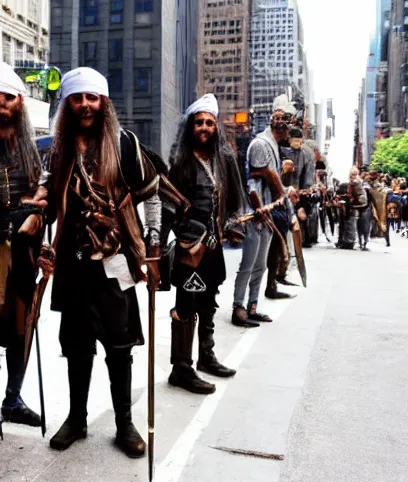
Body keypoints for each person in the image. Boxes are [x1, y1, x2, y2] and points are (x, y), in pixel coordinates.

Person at [41, 67, 161, 457]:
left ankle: (124, 425)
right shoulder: (59, 151)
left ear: (104, 103)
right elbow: (48, 206)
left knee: (119, 347)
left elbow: (153, 193)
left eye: (92, 98)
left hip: (116, 264)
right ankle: (77, 419)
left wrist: (154, 244)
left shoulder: (126, 144)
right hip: (74, 265)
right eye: (77, 98)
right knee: (77, 347)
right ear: (68, 104)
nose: (85, 105)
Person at [166, 94, 246, 394]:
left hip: (214, 246)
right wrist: (183, 238)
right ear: (191, 127)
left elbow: (233, 199)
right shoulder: (181, 161)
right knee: (186, 305)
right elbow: (168, 206)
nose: (204, 127)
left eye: (209, 123)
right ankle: (181, 369)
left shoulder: (222, 159)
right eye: (199, 122)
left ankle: (206, 356)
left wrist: (231, 225)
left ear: (216, 128)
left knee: (209, 301)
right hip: (190, 247)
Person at [0, 63, 48, 437]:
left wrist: (37, 223)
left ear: (19, 103)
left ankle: (13, 399)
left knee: (21, 329)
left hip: (22, 256)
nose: (1, 103)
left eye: (8, 97)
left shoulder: (31, 150)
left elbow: (41, 201)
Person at [232, 107, 288, 327]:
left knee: (261, 265)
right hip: (255, 214)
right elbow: (253, 182)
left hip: (267, 214)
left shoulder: (273, 145)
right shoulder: (260, 144)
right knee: (248, 264)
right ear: (277, 127)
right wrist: (259, 210)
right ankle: (238, 307)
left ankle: (253, 306)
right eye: (284, 126)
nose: (286, 132)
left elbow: (270, 182)